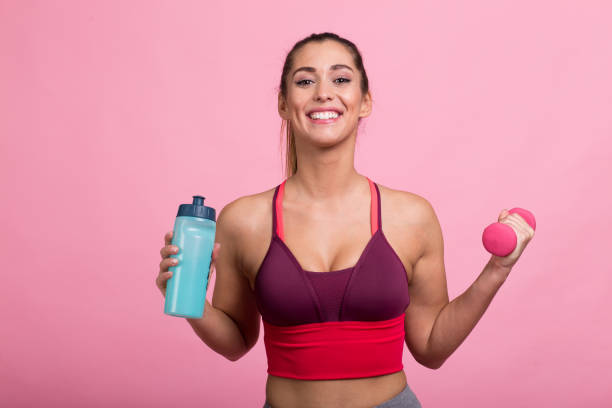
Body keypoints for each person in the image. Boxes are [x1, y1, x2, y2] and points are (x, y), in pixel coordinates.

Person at [156, 32, 535, 408]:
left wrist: (497, 269)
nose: (323, 92)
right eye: (305, 81)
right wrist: (191, 302)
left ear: (364, 101)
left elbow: (432, 348)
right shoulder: (243, 220)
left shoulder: (412, 217)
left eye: (340, 79)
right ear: (284, 104)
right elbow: (236, 342)